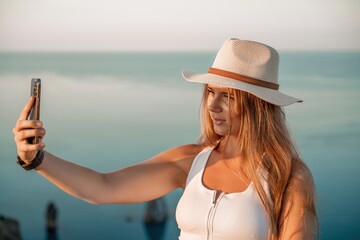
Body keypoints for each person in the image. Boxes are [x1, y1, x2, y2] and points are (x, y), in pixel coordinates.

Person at [13, 39, 317, 239]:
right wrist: (37, 159)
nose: (212, 105)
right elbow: (102, 188)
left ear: (258, 105)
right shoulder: (191, 160)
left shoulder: (287, 175)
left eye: (228, 97)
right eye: (211, 92)